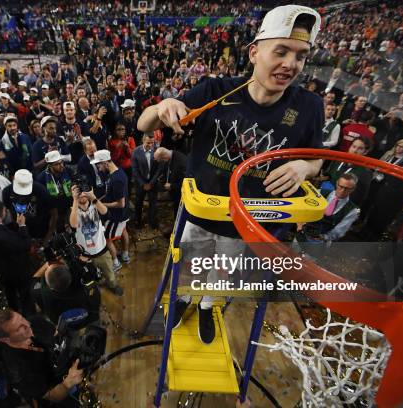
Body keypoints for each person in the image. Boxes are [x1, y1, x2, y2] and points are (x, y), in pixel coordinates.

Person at [137, 5, 324, 344]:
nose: (290, 64)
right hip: (200, 214)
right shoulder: (215, 91)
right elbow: (143, 124)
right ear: (255, 52)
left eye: (300, 56)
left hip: (247, 221)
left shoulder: (309, 106)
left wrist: (305, 166)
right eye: (280, 51)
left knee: (221, 272)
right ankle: (181, 300)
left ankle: (207, 306)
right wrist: (161, 107)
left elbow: (315, 160)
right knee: (188, 267)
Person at [0, 309, 84, 407]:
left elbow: (56, 334)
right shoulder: (18, 373)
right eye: (19, 328)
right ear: (5, 339)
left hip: (74, 363)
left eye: (21, 318)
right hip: (64, 389)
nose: (27, 324)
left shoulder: (34, 322)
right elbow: (53, 396)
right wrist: (68, 383)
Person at [70, 185, 123, 295]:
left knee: (109, 272)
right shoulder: (72, 210)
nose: (82, 195)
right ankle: (94, 288)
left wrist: (93, 197)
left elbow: (106, 213)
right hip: (85, 254)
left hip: (101, 250)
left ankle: (113, 285)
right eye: (78, 193)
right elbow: (74, 224)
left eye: (84, 191)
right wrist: (75, 200)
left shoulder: (95, 205)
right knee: (89, 275)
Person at [91, 149, 131, 271]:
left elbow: (120, 204)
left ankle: (115, 263)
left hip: (117, 215)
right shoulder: (117, 172)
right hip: (123, 215)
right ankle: (125, 255)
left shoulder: (117, 179)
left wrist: (102, 204)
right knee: (123, 230)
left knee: (106, 238)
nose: (98, 167)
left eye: (99, 164)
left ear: (105, 162)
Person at [296, 173, 360, 242]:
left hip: (321, 243)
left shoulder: (353, 211)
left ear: (353, 189)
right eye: (341, 186)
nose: (342, 191)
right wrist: (300, 224)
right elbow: (304, 208)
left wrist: (323, 237)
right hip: (301, 233)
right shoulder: (319, 193)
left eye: (347, 189)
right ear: (337, 183)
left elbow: (339, 231)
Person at [36, 151, 73, 231]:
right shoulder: (41, 178)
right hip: (54, 209)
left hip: (69, 204)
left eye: (61, 162)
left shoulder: (68, 171)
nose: (61, 165)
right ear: (49, 165)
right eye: (57, 164)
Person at [131, 133, 161, 229]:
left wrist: (151, 183)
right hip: (140, 183)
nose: (150, 145)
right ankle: (137, 220)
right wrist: (143, 183)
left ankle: (152, 222)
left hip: (153, 182)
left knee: (153, 203)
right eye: (148, 143)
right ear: (143, 140)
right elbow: (135, 170)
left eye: (152, 143)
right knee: (138, 202)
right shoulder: (136, 151)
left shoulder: (157, 150)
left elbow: (159, 169)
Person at [154, 147, 188, 218]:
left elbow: (185, 183)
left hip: (181, 194)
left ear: (164, 157)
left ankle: (176, 224)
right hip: (173, 190)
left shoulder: (181, 163)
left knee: (178, 210)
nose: (161, 162)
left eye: (161, 160)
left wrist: (172, 186)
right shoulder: (169, 157)